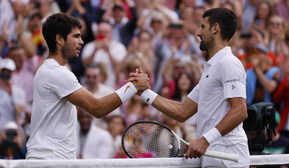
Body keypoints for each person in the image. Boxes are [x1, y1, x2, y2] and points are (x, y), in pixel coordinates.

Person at [130, 8, 249, 167]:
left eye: (203, 27)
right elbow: (182, 112)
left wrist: (204, 140)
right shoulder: (212, 68)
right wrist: (145, 92)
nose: (198, 33)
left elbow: (240, 111)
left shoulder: (229, 63)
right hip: (215, 158)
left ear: (215, 28)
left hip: (228, 157)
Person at [26, 13, 150, 160]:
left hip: (52, 158)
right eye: (76, 36)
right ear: (59, 39)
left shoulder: (50, 70)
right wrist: (133, 87)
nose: (81, 41)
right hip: (50, 159)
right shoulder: (56, 72)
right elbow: (98, 108)